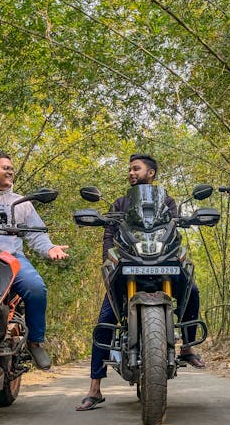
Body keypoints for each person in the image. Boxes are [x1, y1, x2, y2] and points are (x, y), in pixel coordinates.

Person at [76, 153, 205, 411]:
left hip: (163, 260)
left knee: (192, 290)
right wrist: (107, 261)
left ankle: (188, 347)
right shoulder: (120, 202)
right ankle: (95, 388)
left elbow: (173, 230)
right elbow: (109, 234)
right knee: (105, 320)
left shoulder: (167, 201)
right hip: (126, 263)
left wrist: (190, 221)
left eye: (136, 169)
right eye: (130, 169)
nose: (131, 173)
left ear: (151, 173)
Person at [0, 150, 69, 370]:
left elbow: (36, 233)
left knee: (36, 287)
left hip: (9, 259)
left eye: (12, 168)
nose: (11, 171)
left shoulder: (20, 203)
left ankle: (35, 341)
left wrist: (49, 248)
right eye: (6, 168)